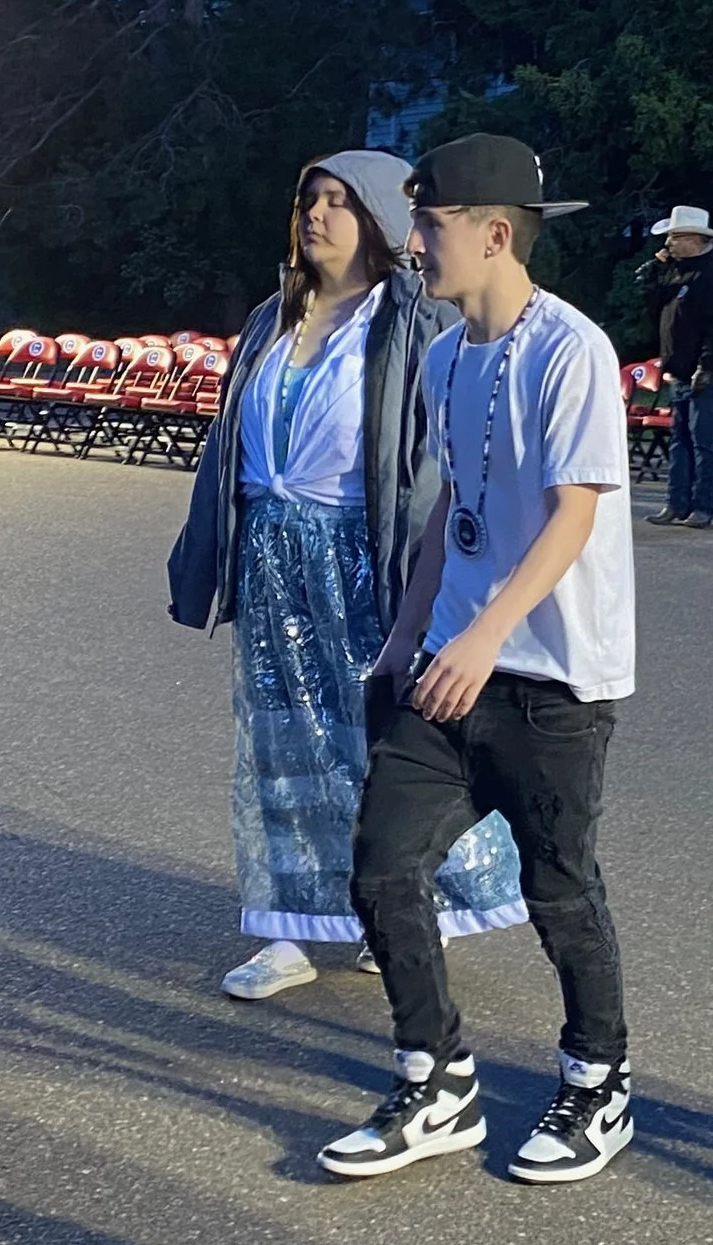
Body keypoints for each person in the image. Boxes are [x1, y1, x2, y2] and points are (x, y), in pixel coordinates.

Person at [324, 133, 639, 1185]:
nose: (413, 242)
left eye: (429, 223)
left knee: (561, 890)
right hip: (451, 663)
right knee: (383, 867)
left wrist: (485, 634)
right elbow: (451, 509)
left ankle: (598, 1080)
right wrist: (405, 637)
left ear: (494, 234)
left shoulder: (572, 351)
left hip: (552, 681)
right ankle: (436, 1078)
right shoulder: (445, 356)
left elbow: (572, 515)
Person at [167, 152, 526, 998]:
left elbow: (444, 451)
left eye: (338, 201)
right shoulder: (272, 318)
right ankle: (287, 926)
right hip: (273, 554)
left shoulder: (411, 318)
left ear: (377, 221)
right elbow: (228, 447)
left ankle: (405, 901)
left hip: (367, 554)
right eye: (308, 200)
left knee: (377, 737)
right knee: (279, 740)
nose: (316, 215)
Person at [643, 205, 713, 529]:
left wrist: (708, 367)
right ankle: (676, 503)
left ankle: (702, 506)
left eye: (675, 237)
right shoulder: (677, 270)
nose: (668, 243)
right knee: (679, 440)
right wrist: (653, 279)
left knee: (702, 441)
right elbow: (659, 311)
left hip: (702, 371)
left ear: (694, 240)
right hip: (679, 368)